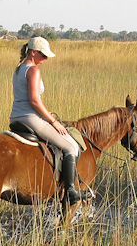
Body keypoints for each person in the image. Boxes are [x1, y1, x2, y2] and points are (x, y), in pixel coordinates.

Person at [9, 36, 89, 203]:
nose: (45, 59)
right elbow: (34, 101)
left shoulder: (19, 69)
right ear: (33, 52)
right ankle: (70, 191)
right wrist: (53, 121)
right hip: (30, 117)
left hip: (16, 116)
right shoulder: (33, 70)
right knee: (71, 146)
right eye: (43, 55)